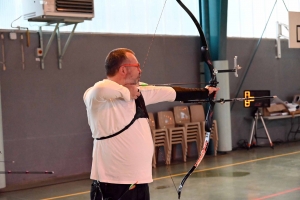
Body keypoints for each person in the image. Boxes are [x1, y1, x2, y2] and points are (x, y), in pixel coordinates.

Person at [83, 48, 219, 200]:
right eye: (137, 66)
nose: (141, 70)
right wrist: (127, 93)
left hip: (139, 181)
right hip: (113, 183)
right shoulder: (95, 95)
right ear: (123, 69)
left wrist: (204, 93)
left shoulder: (139, 92)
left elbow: (171, 92)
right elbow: (100, 89)